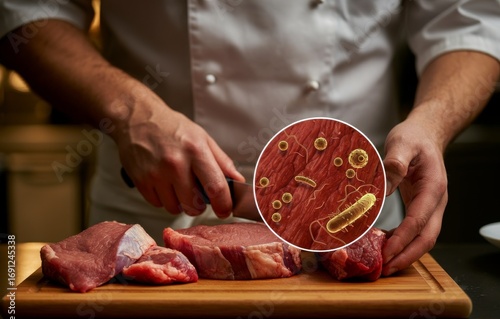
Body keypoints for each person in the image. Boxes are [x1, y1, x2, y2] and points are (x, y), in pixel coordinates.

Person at [0, 1, 499, 276]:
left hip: (355, 219)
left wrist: (431, 123)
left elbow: (468, 19)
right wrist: (129, 110)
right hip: (152, 217)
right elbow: (24, 9)